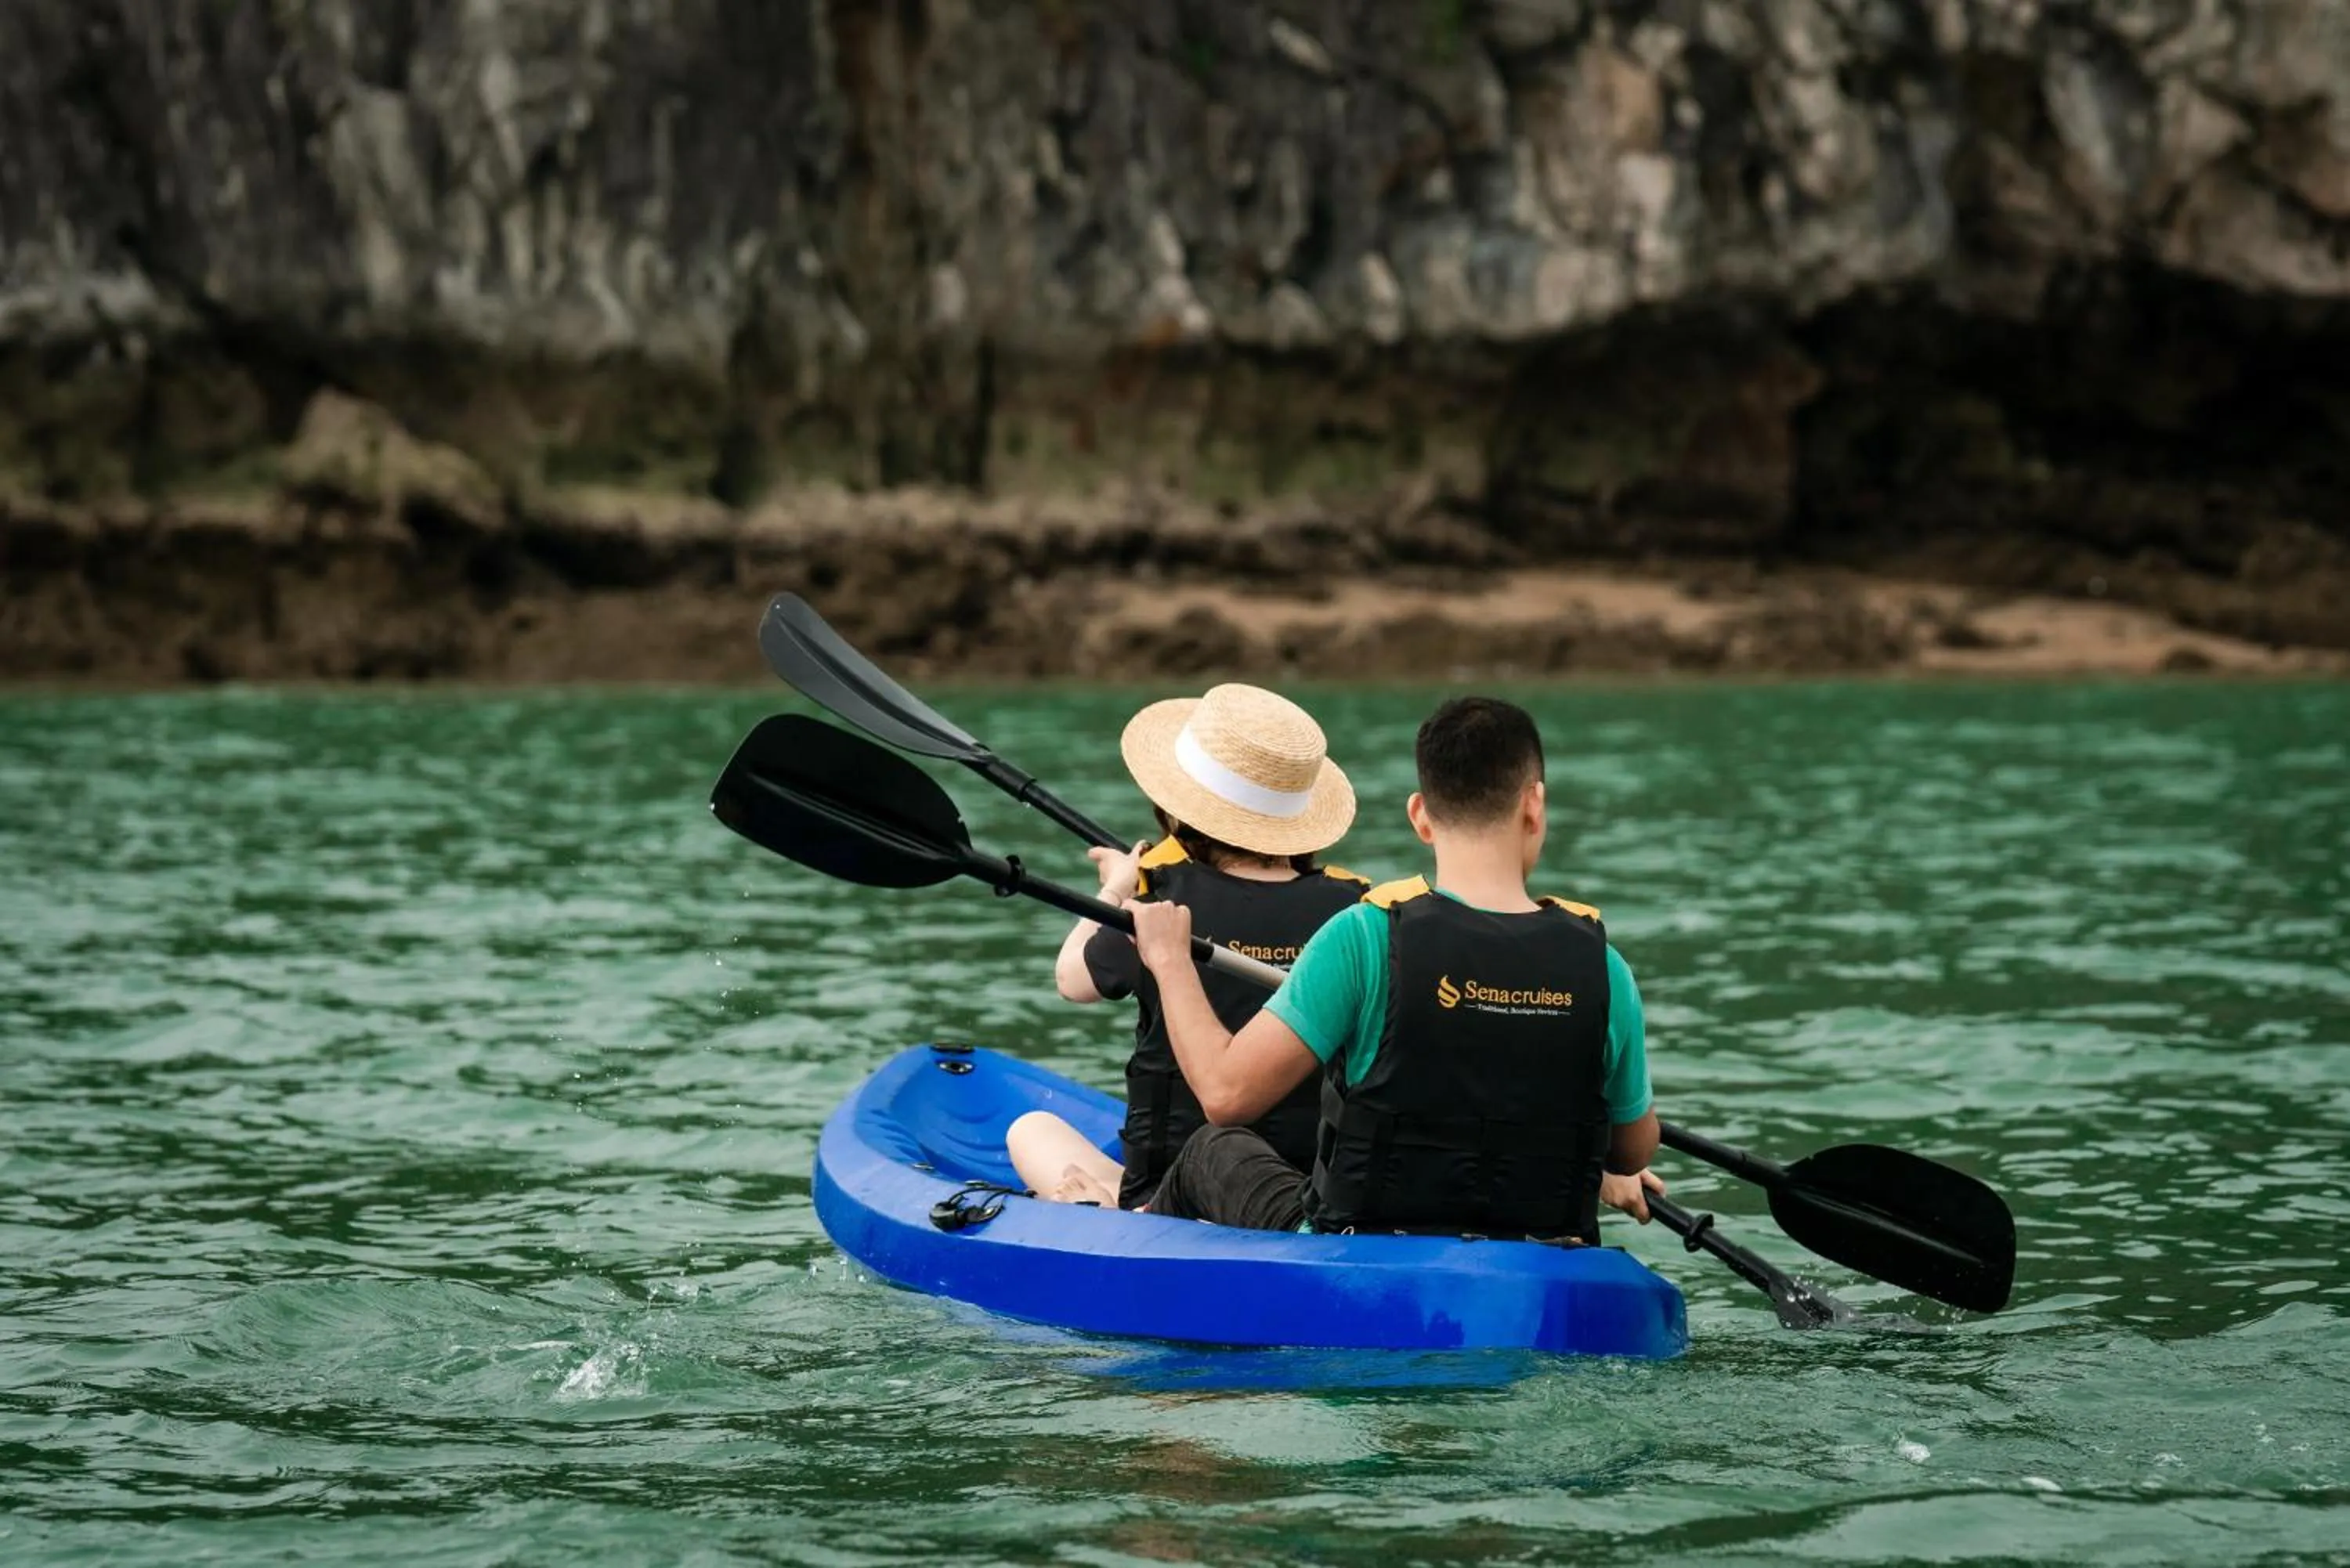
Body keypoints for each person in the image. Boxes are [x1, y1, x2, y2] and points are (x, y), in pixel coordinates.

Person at [1125, 695, 1663, 1238]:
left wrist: (1170, 961)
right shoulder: (1604, 968)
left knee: (1212, 1148)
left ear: (1420, 817)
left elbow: (1224, 1095)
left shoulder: (1362, 938)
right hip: (1542, 1255)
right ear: (1535, 805)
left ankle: (1132, 1236)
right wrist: (1603, 1171)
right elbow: (1632, 1148)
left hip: (1358, 1255)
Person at [1006, 684, 1369, 1210]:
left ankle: (1113, 1207)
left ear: (1179, 809)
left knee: (1030, 1129)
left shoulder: (1160, 901)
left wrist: (1118, 890)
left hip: (1172, 1189)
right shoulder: (1357, 908)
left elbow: (1073, 981)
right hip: (1305, 1191)